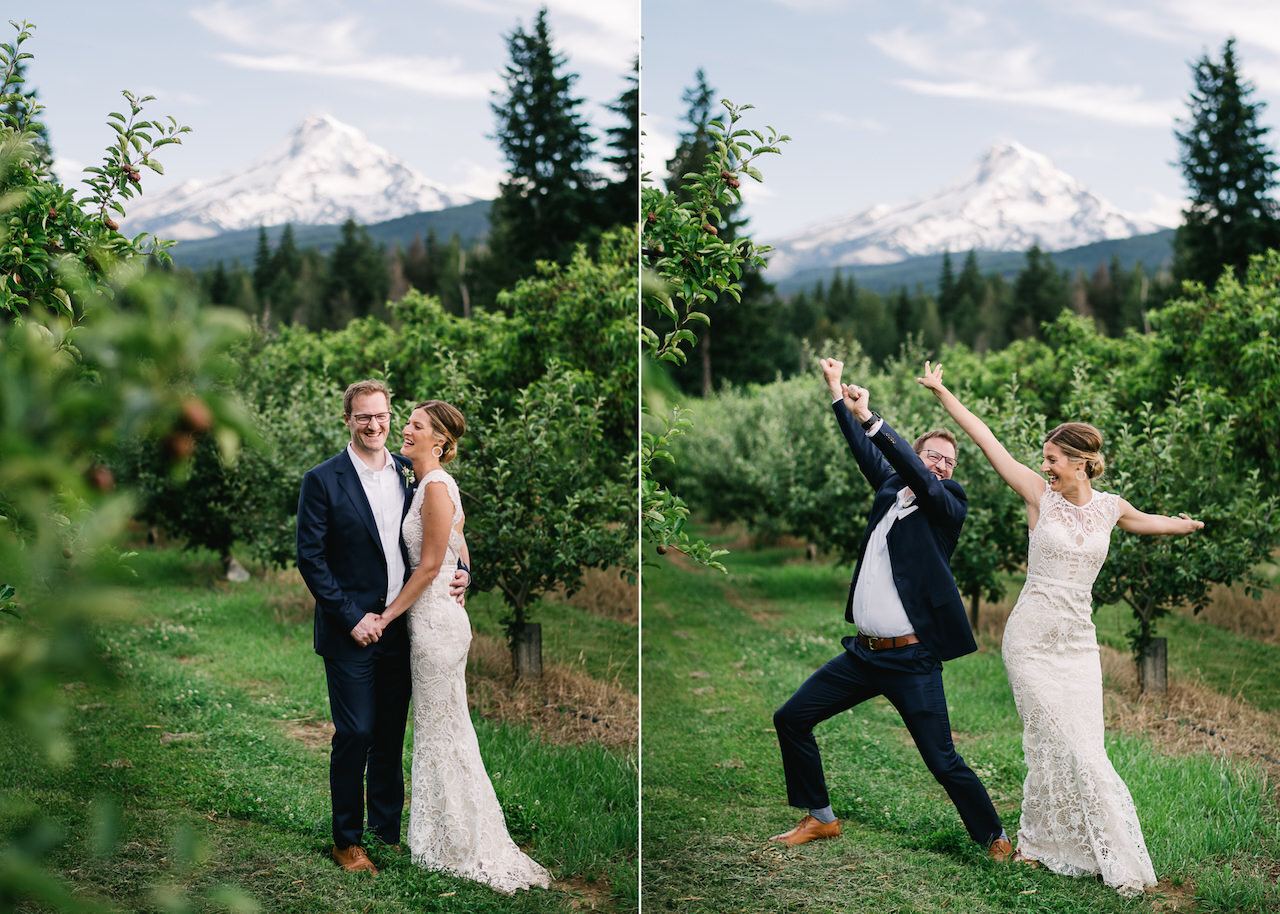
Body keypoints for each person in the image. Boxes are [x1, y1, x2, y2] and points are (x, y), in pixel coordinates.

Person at [917, 360, 1203, 897]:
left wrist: (1184, 525)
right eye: (1044, 459)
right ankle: (1039, 843)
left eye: (1052, 459)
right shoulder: (1037, 495)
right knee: (1053, 741)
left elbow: (1149, 523)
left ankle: (1067, 847)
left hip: (1078, 644)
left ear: (1080, 463)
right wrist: (942, 392)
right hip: (1029, 641)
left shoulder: (1111, 508)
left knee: (1083, 747)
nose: (1044, 466)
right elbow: (986, 440)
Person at [770, 357, 1012, 862]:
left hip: (912, 660)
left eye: (950, 460)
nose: (942, 465)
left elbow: (914, 473)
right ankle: (820, 817)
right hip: (863, 656)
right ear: (913, 455)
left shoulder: (948, 504)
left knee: (942, 760)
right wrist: (839, 393)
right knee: (791, 718)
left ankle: (994, 840)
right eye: (934, 456)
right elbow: (867, 453)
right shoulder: (888, 490)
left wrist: (873, 418)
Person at [373, 400, 552, 894]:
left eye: (415, 426)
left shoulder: (434, 486)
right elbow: (458, 547)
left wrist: (388, 615)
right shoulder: (435, 485)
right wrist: (466, 573)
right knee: (444, 729)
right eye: (407, 422)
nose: (404, 430)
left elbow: (430, 566)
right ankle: (446, 832)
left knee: (438, 732)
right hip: (438, 620)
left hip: (433, 626)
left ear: (440, 441)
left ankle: (450, 841)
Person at [296, 380, 470, 876]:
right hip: (350, 629)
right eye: (363, 417)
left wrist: (463, 571)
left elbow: (445, 532)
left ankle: (384, 834)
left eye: (382, 415)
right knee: (356, 731)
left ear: (390, 416)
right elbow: (310, 559)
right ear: (347, 420)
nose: (374, 425)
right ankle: (347, 840)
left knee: (390, 735)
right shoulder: (322, 480)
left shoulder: (407, 474)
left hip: (400, 629)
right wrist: (352, 618)